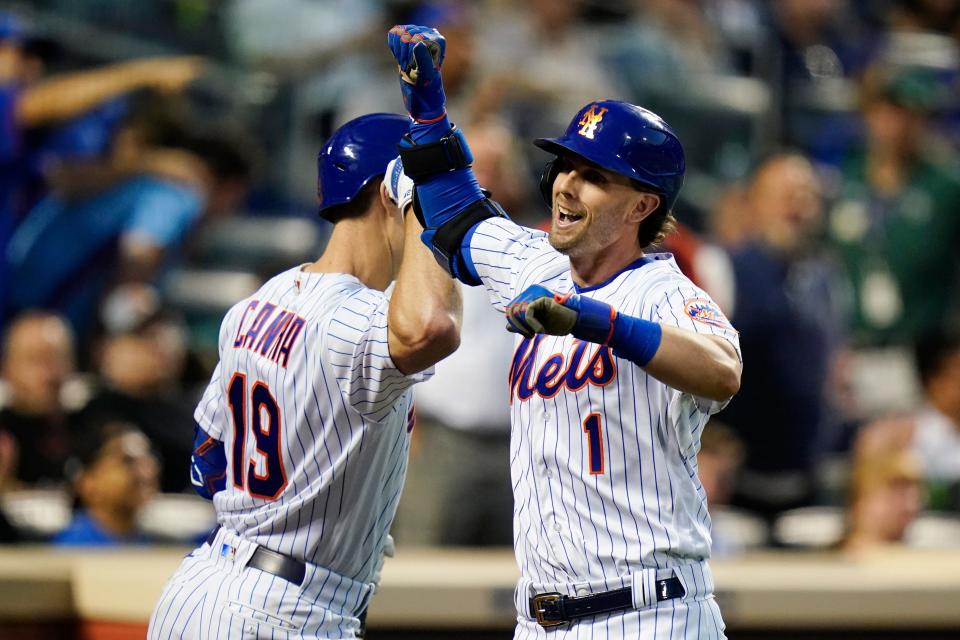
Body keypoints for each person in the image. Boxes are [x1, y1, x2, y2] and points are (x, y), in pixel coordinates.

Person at [387, 25, 741, 638]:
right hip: (541, 620)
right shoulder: (537, 262)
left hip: (648, 612)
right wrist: (429, 107)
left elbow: (721, 369)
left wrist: (594, 321)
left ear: (641, 207)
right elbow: (453, 213)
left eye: (595, 176)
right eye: (565, 166)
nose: (566, 185)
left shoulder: (665, 291)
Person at [147, 113, 462, 639]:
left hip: (204, 589)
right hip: (286, 609)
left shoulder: (260, 299)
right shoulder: (361, 321)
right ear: (394, 193)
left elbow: (207, 459)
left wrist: (316, 511)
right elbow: (432, 326)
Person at [0, 311, 79, 487]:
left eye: (57, 358)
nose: (49, 374)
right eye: (34, 360)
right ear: (7, 368)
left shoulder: (92, 426)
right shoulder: (4, 435)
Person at [54, 420, 160, 546]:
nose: (147, 472)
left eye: (148, 460)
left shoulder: (159, 542)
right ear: (87, 482)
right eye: (127, 461)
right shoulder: (69, 550)